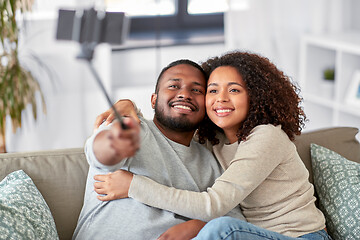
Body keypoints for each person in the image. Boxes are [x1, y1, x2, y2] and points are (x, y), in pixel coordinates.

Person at [93, 51, 332, 240]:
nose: (221, 99)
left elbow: (213, 205)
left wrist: (134, 185)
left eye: (235, 90)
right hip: (252, 235)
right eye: (212, 90)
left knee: (223, 230)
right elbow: (171, 121)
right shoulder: (212, 140)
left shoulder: (266, 137)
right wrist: (128, 105)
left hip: (301, 236)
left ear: (255, 97)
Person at [72, 59, 244, 240]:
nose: (184, 94)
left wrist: (200, 226)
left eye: (196, 90)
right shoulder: (132, 127)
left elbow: (234, 225)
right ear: (154, 100)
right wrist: (113, 143)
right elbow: (99, 154)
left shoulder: (211, 161)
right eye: (174, 86)